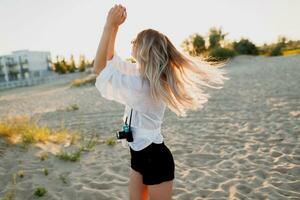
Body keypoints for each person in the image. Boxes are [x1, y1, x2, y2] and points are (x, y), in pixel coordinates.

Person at [93, 4, 229, 200]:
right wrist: (115, 27)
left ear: (144, 49)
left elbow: (100, 68)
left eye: (135, 40)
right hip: (138, 154)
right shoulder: (141, 73)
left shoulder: (142, 84)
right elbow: (111, 60)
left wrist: (108, 25)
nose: (131, 43)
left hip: (155, 158)